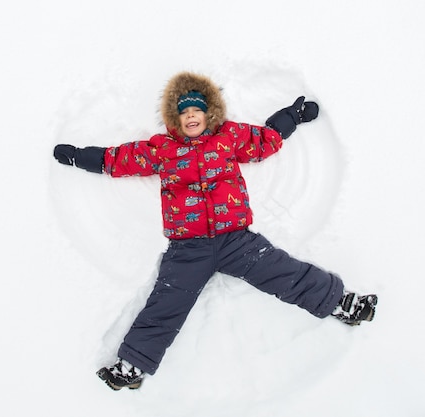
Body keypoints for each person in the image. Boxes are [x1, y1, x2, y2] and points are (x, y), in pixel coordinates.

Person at [53, 71, 378, 391]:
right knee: (166, 303)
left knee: (284, 271)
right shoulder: (161, 149)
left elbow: (265, 141)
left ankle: (342, 302)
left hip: (236, 240)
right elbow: (120, 159)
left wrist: (292, 116)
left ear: (210, 114)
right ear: (174, 119)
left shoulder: (228, 137)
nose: (191, 116)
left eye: (197, 110)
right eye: (184, 113)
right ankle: (132, 366)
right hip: (187, 248)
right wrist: (80, 157)